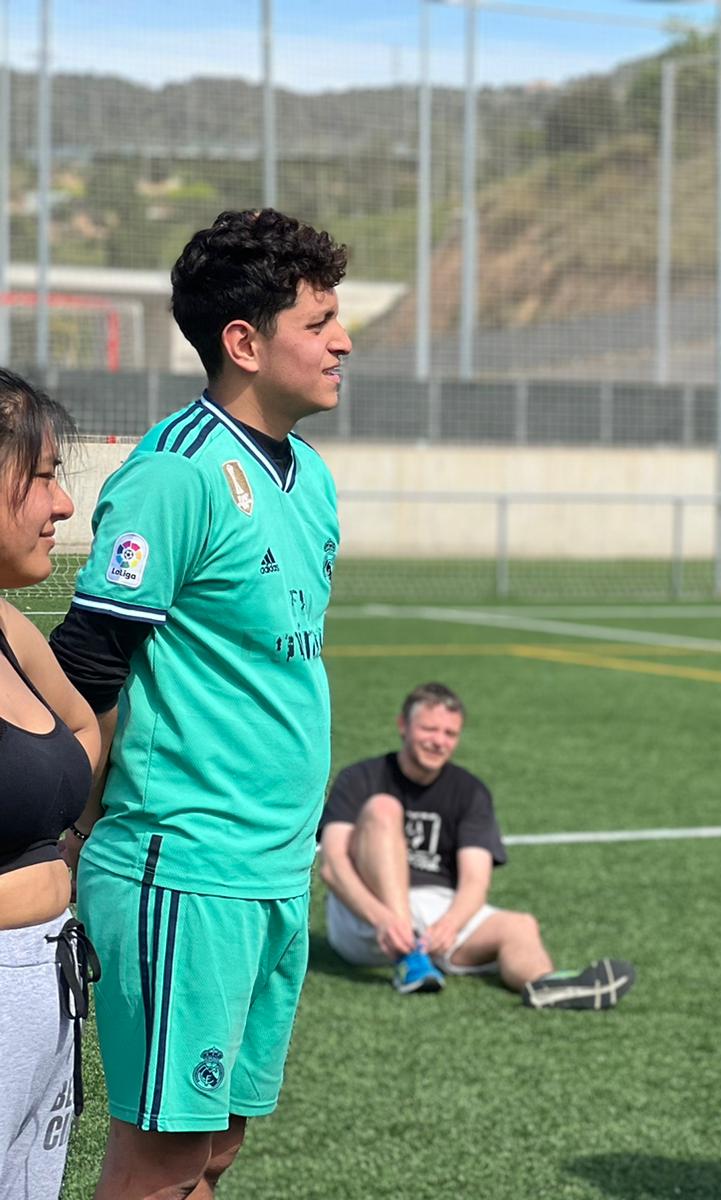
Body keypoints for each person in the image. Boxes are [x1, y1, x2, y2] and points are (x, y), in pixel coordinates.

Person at [49, 209, 348, 1199]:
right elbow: (87, 664)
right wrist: (69, 828)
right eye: (319, 322)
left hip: (276, 868)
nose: (343, 341)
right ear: (244, 342)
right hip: (184, 866)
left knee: (216, 1147)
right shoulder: (176, 472)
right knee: (162, 1160)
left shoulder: (313, 479)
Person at [317, 681, 635, 1010]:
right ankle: (408, 957)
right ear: (402, 725)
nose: (438, 741)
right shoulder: (360, 778)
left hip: (438, 911)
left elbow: (475, 880)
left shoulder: (469, 791)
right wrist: (384, 919)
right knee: (383, 808)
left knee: (520, 926)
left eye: (449, 734)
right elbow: (333, 865)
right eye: (429, 729)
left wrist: (451, 924)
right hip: (368, 915)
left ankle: (547, 985)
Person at [0, 371, 98, 1200]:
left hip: (48, 978)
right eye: (42, 476)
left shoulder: (7, 625)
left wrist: (70, 842)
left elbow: (84, 727)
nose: (63, 504)